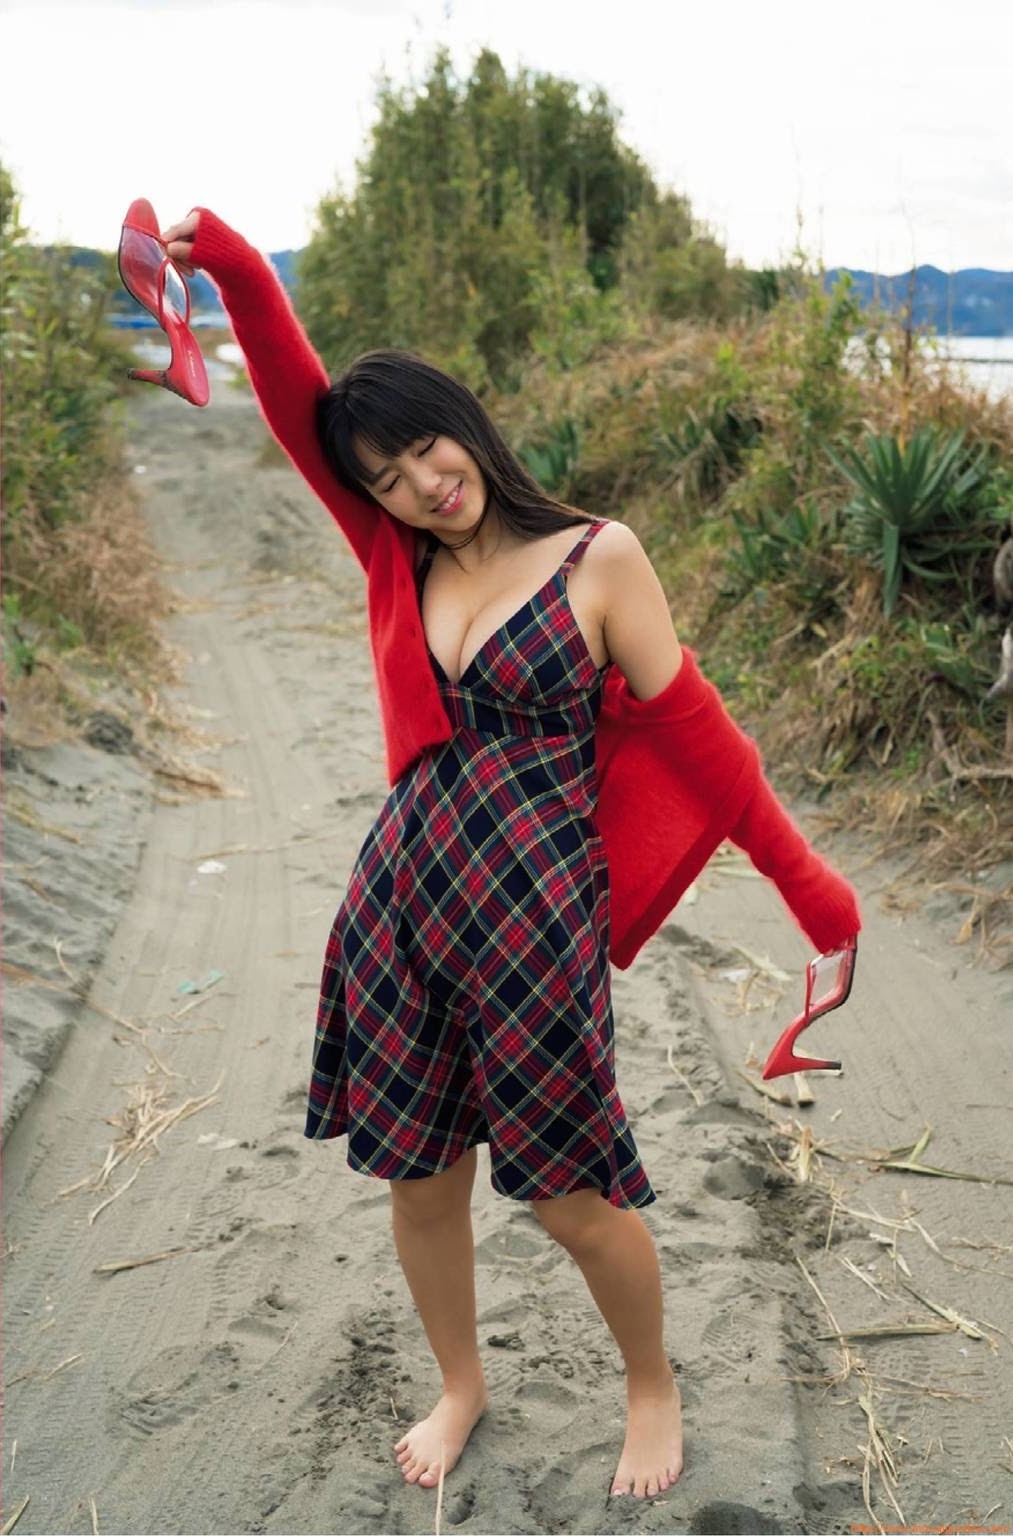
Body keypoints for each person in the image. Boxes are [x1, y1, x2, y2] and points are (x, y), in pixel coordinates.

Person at [160, 207, 861, 1502]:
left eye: (427, 447)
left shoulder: (600, 558)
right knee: (420, 1181)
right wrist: (232, 262)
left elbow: (705, 744)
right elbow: (297, 402)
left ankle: (649, 1386)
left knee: (567, 1193)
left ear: (465, 424)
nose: (422, 484)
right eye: (387, 476)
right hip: (403, 901)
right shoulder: (395, 555)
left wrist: (809, 887)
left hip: (535, 915)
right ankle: (461, 1384)